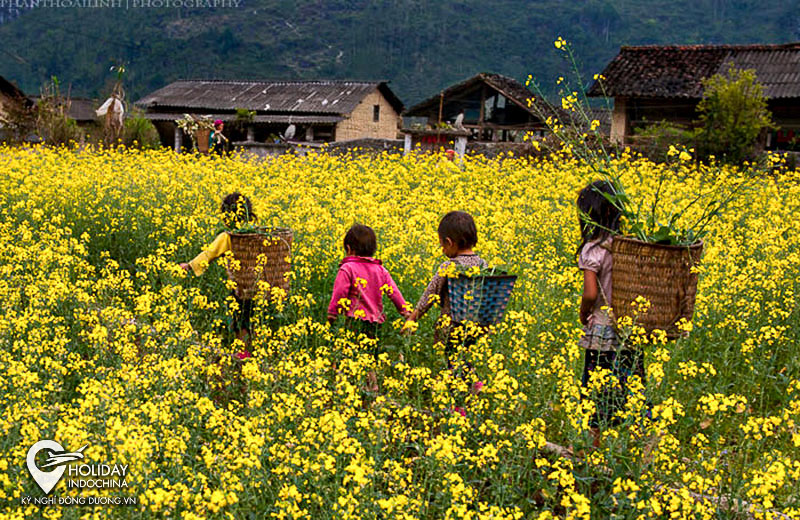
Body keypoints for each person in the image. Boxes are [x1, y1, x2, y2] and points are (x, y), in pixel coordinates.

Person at [576, 180, 645, 445]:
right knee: (631, 388)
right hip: (629, 330)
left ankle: (594, 448)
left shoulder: (593, 249)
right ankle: (638, 446)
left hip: (603, 332)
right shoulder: (629, 246)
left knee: (597, 393)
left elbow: (591, 294)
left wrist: (584, 314)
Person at [327, 224, 410, 391]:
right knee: (369, 358)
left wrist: (332, 312)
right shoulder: (380, 270)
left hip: (355, 321)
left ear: (349, 249)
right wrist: (405, 311)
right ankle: (372, 388)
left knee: (349, 356)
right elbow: (394, 292)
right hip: (376, 324)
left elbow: (340, 292)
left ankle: (350, 390)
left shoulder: (347, 268)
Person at [405, 211, 488, 365]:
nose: (442, 249)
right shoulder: (483, 265)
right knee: (469, 361)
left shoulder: (449, 266)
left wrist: (412, 319)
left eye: (442, 245)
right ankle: (475, 386)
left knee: (453, 363)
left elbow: (429, 295)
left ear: (449, 243)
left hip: (452, 328)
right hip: (477, 327)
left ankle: (456, 387)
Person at [179, 192, 255, 358]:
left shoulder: (228, 237)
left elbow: (209, 254)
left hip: (240, 286)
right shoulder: (257, 233)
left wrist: (189, 266)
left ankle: (242, 352)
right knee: (252, 317)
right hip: (259, 284)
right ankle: (253, 350)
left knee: (239, 319)